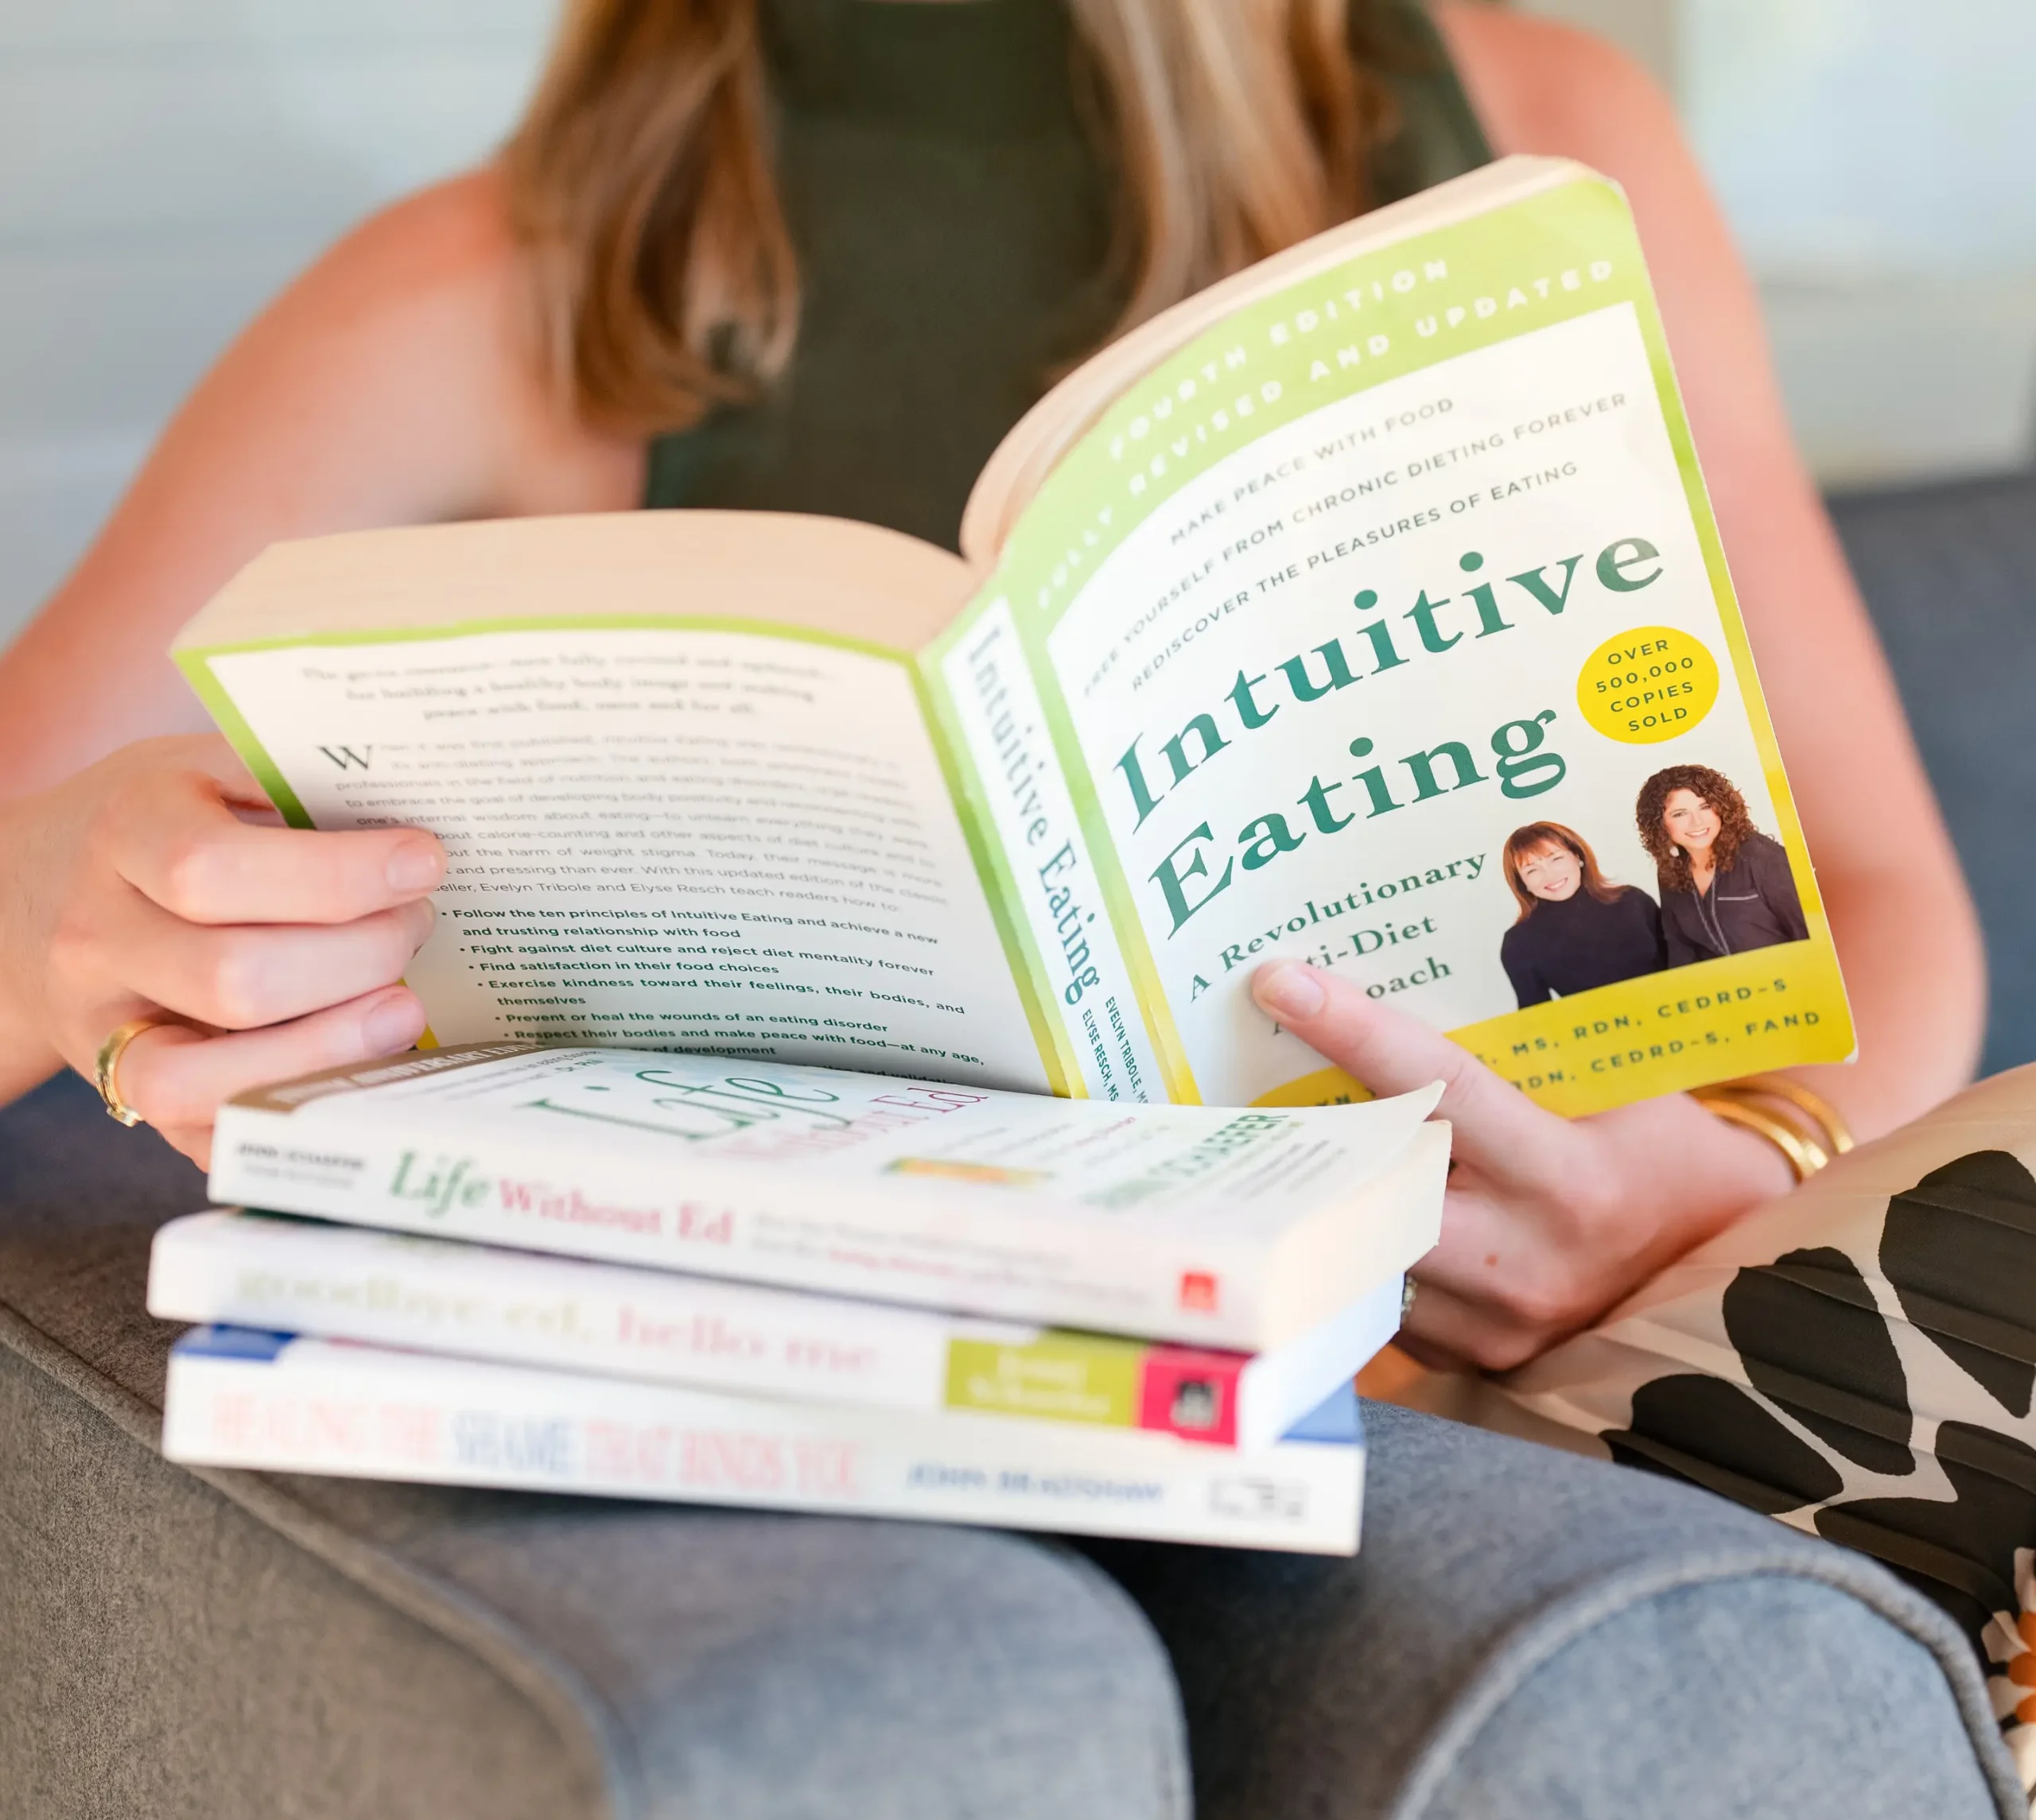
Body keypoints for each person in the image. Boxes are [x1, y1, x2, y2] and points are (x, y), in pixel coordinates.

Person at [0, 0, 1982, 1376]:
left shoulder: (1538, 134)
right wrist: (75, 903)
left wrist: (1742, 1172)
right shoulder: (491, 292)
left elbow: (1876, 892)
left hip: (1551, 1420)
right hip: (964, 1445)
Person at [1636, 762, 1809, 968]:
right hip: (1724, 994)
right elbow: (1680, 949)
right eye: (1680, 814)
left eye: (1705, 806)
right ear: (1660, 824)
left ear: (1722, 807)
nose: (1697, 822)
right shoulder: (1669, 870)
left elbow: (1808, 931)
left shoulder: (1762, 857)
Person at [1497, 821, 1665, 1007]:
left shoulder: (1632, 901)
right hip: (1600, 1034)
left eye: (1556, 859)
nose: (1550, 875)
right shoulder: (1519, 942)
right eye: (1532, 870)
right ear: (1523, 883)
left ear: (1577, 856)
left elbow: (1679, 967)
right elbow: (1536, 1022)